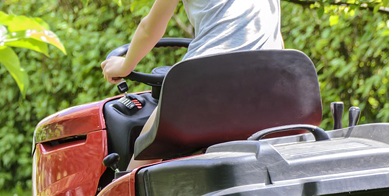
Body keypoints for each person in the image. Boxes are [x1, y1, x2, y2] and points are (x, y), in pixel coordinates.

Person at [101, 0, 284, 170]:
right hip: (274, 85)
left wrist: (125, 66)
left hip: (207, 81)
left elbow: (150, 28)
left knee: (145, 148)